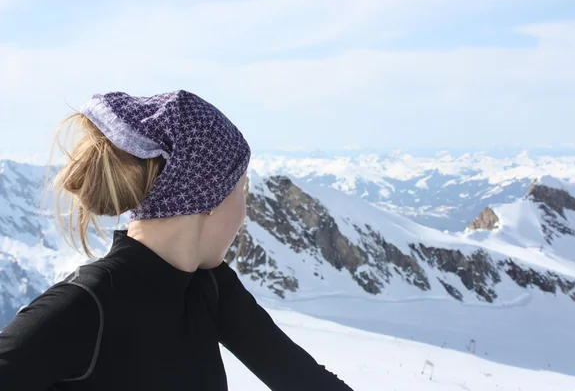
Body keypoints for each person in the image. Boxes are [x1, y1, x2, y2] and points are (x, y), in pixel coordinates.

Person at [0, 90, 353, 390]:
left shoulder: (211, 290)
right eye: (241, 190)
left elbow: (305, 381)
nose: (244, 216)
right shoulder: (84, 304)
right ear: (209, 198)